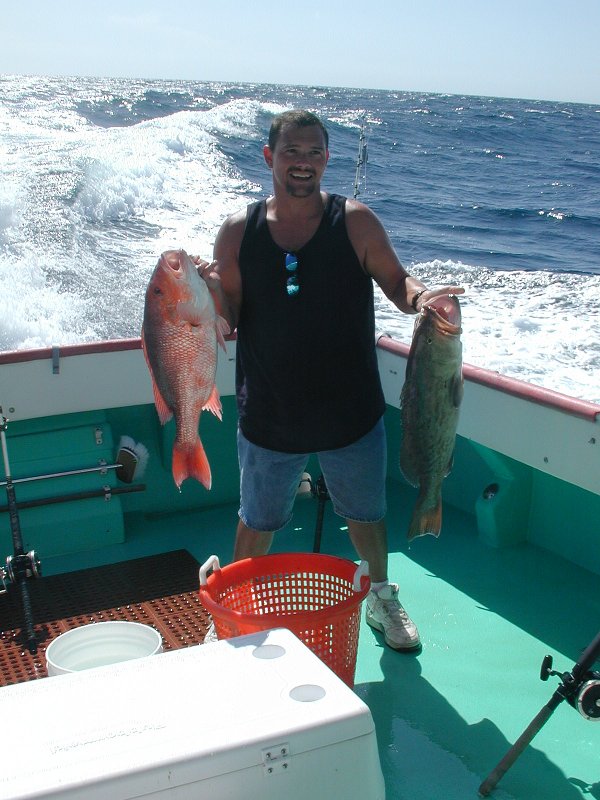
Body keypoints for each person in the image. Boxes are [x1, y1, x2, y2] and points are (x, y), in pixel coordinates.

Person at [198, 110, 464, 651]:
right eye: (292, 151)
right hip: (268, 409)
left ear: (326, 159)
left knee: (367, 516)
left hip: (350, 409)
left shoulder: (356, 222)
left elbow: (397, 282)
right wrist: (206, 295)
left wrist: (423, 298)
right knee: (257, 521)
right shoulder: (236, 231)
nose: (303, 162)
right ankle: (233, 610)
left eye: (314, 152)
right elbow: (228, 316)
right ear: (270, 157)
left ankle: (381, 597)